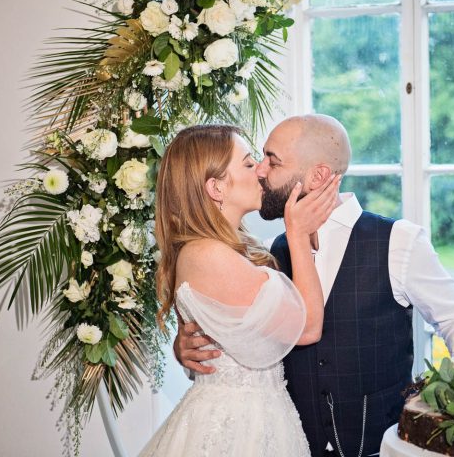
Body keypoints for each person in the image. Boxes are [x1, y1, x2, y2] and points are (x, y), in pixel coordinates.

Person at [176, 115, 454, 457]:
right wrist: (189, 347)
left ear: (318, 176)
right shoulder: (274, 251)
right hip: (288, 442)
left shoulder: (399, 241)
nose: (261, 171)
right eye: (256, 160)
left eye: (272, 161)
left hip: (379, 447)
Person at [140, 124, 341, 457]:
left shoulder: (233, 250)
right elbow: (307, 329)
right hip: (236, 428)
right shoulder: (207, 254)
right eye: (249, 163)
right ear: (217, 187)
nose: (261, 172)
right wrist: (298, 236)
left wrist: (183, 347)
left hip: (266, 416)